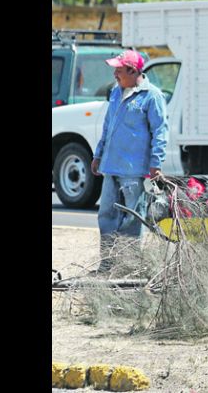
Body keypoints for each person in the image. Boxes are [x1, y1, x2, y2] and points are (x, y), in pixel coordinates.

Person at [90, 50, 168, 273]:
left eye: (119, 69)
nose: (115, 73)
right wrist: (98, 154)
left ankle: (128, 265)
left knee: (132, 219)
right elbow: (108, 126)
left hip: (134, 170)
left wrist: (156, 163)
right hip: (111, 166)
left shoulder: (152, 97)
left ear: (133, 72)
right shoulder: (117, 92)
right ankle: (108, 263)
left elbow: (160, 131)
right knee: (106, 215)